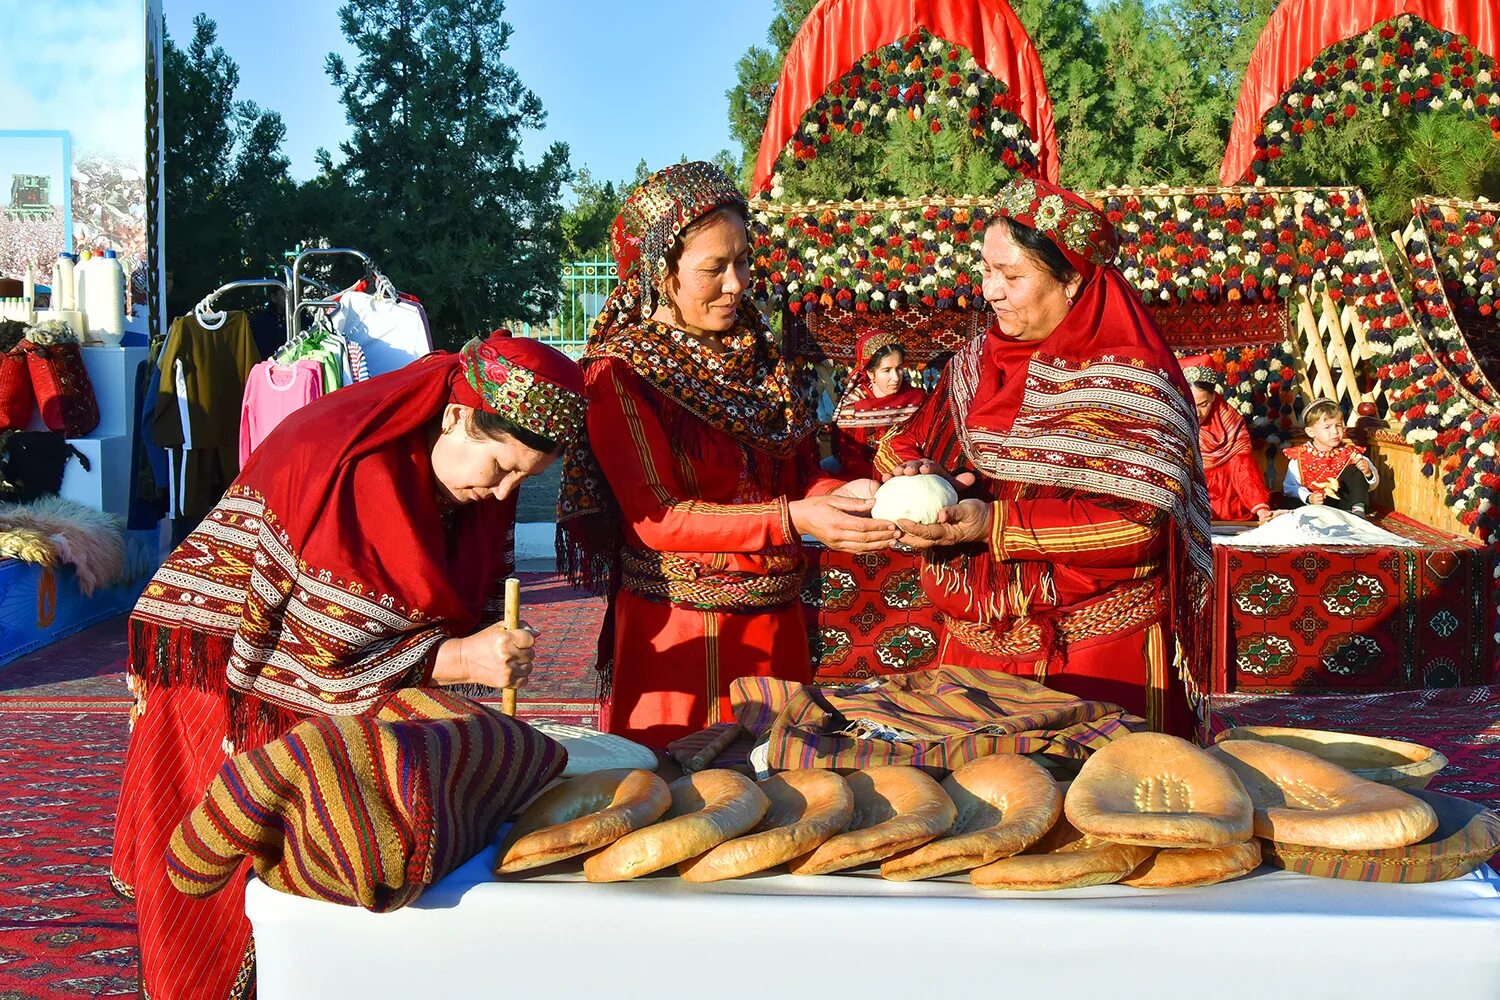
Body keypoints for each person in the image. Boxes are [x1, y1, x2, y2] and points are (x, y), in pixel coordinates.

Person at [112, 331, 586, 1000]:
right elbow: (307, 660)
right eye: (501, 467)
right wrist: (454, 658)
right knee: (224, 881)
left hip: (293, 687)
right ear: (457, 417)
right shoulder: (358, 467)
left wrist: (476, 640)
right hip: (225, 686)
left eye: (524, 480)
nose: (505, 491)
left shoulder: (453, 476)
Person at [558, 161, 897, 749]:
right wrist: (793, 518)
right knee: (683, 808)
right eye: (714, 268)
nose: (738, 284)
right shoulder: (621, 373)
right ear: (657, 274)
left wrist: (835, 496)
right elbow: (658, 515)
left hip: (778, 622)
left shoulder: (763, 357)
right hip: (686, 638)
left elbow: (796, 472)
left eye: (742, 262)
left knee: (789, 793)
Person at [877, 177, 1213, 737]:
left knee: (1108, 812)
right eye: (985, 271)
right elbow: (902, 445)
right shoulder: (975, 364)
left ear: (1073, 281)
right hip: (975, 652)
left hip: (1096, 654)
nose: (990, 291)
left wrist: (994, 525)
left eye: (1011, 276)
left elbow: (1139, 527)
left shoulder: (1131, 377)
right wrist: (924, 475)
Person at [1181, 355, 1274, 522]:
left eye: (1204, 404)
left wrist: (1260, 507)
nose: (1198, 413)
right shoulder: (1174, 424)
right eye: (1191, 405)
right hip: (1190, 507)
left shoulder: (1230, 424)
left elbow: (1242, 467)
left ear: (1214, 397)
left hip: (1231, 506)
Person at [828, 331, 928, 479]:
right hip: (863, 477)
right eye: (886, 371)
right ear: (870, 373)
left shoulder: (917, 399)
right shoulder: (854, 407)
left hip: (911, 471)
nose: (895, 378)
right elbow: (850, 458)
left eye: (899, 369)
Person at [1283, 398, 1379, 515]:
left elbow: (1372, 485)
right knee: (1290, 503)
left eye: (1338, 426)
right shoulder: (1300, 456)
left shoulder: (1350, 452)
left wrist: (1368, 473)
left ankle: (1357, 510)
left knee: (1355, 468)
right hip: (1315, 504)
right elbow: (1290, 487)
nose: (1335, 431)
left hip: (1342, 504)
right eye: (1327, 427)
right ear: (1310, 432)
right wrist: (1309, 497)